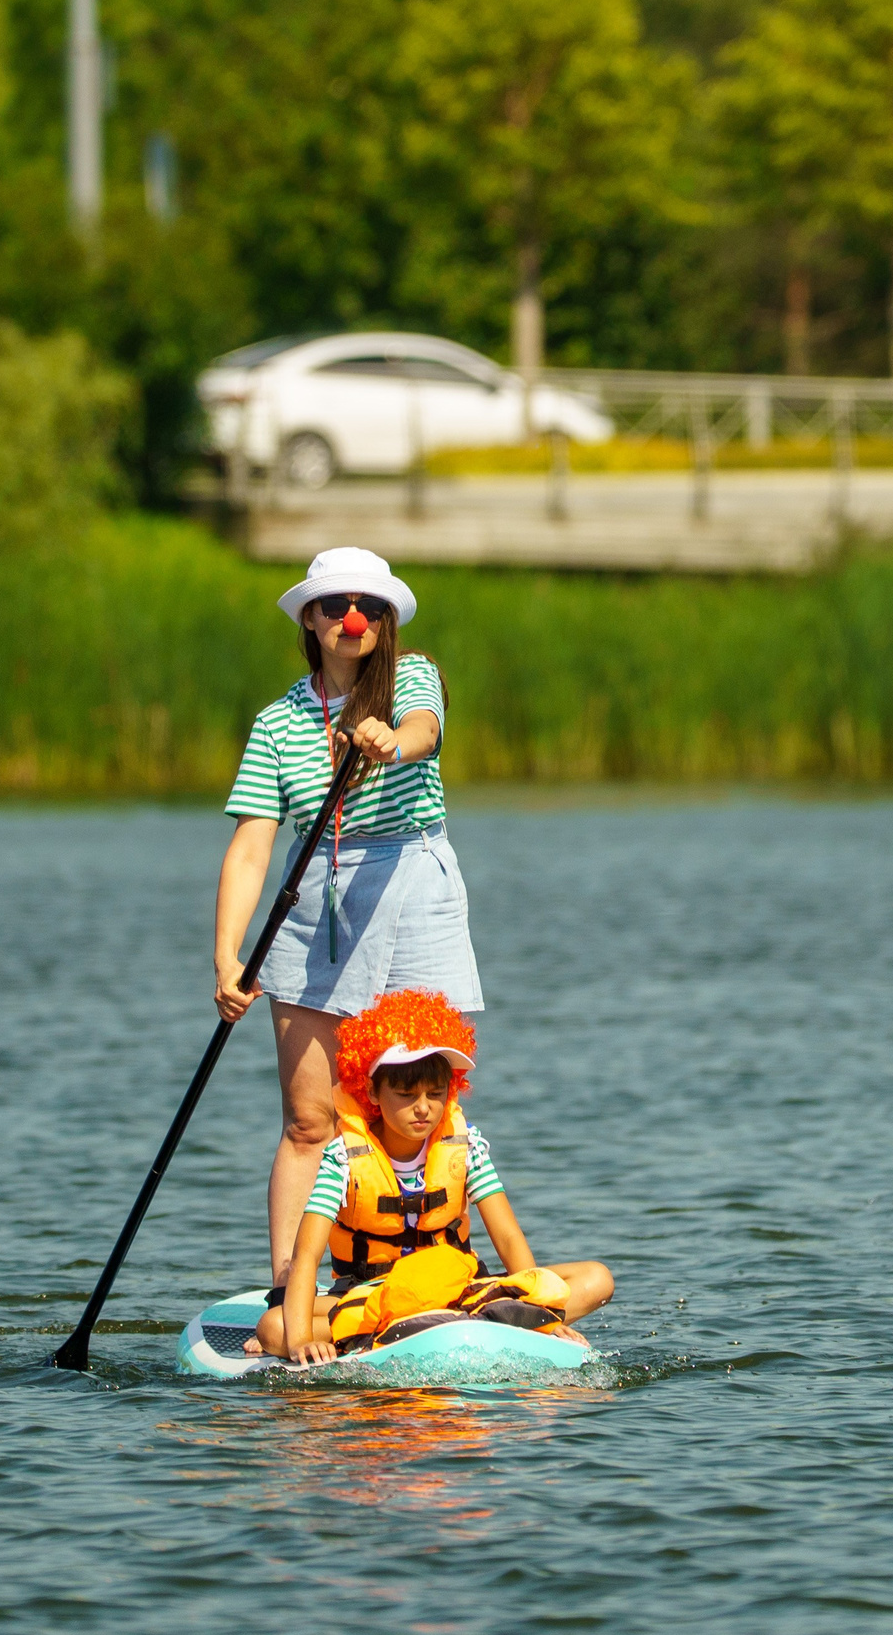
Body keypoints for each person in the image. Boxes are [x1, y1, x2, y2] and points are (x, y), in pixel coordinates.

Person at [216, 546, 486, 1288]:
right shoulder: (277, 724)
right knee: (311, 1119)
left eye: (366, 606)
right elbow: (249, 850)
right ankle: (289, 1284)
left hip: (412, 887)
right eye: (333, 605)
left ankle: (430, 1270)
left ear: (386, 619)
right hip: (317, 901)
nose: (352, 619)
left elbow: (423, 728)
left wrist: (390, 743)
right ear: (310, 617)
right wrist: (228, 957)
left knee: (419, 1107)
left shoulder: (411, 676)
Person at [255, 989, 613, 1365]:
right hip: (378, 1300)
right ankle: (457, 1326)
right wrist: (300, 1342)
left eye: (436, 1093)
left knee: (597, 1278)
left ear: (451, 1089)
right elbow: (307, 1254)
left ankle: (452, 1323)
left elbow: (507, 1237)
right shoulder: (342, 1158)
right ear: (373, 1091)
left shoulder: (466, 1147)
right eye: (406, 1094)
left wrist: (540, 1314)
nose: (423, 1108)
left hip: (458, 1289)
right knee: (274, 1328)